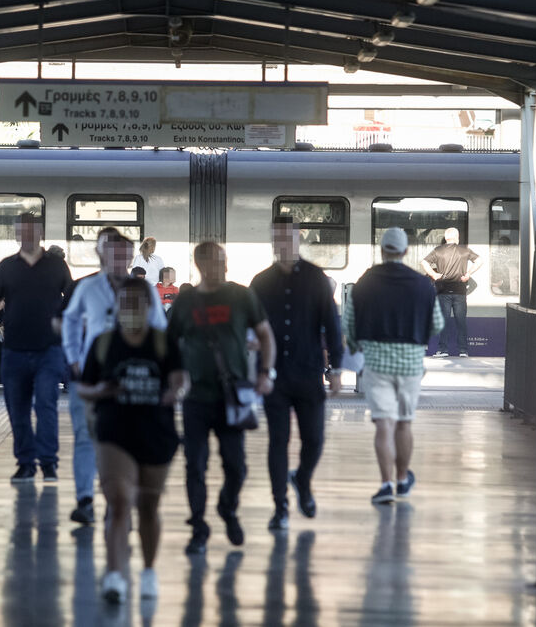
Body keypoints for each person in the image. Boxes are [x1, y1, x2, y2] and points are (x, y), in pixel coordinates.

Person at [77, 278, 187, 604]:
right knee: (119, 501)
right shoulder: (104, 343)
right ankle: (114, 575)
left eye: (137, 303)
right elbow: (84, 386)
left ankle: (149, 571)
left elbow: (180, 379)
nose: (130, 310)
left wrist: (175, 391)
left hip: (156, 433)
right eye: (124, 303)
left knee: (148, 507)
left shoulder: (164, 343)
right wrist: (101, 392)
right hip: (114, 432)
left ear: (149, 307)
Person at [167, 241, 276, 554]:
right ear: (202, 264)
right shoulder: (185, 302)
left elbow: (265, 335)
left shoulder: (242, 296)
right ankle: (198, 526)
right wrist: (173, 380)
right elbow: (170, 344)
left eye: (224, 260)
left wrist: (264, 373)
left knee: (237, 466)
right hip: (197, 398)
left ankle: (227, 508)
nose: (224, 267)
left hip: (233, 397)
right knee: (194, 465)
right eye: (218, 261)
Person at [63, 228, 167, 526]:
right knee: (86, 437)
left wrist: (157, 368)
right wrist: (73, 358)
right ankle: (85, 500)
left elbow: (159, 330)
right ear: (103, 255)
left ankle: (116, 500)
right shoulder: (88, 288)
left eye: (124, 254)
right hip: (91, 375)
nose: (118, 259)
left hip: (130, 376)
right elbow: (69, 321)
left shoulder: (143, 290)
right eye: (113, 253)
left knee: (124, 440)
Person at [249, 216, 344, 531]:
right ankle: (280, 508)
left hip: (308, 372)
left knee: (314, 439)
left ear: (297, 239)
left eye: (288, 237)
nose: (283, 243)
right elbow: (250, 326)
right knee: (278, 441)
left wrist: (336, 369)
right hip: (274, 376)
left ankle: (302, 479)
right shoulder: (261, 282)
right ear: (274, 242)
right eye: (278, 238)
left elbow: (331, 323)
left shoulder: (316, 278)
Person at [347, 227, 444, 505]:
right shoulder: (422, 284)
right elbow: (436, 324)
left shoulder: (365, 281)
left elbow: (350, 325)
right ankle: (402, 479)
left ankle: (385, 484)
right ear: (405, 252)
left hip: (377, 363)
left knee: (383, 426)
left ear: (382, 250)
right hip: (411, 364)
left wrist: (354, 349)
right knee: (404, 423)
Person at [0, 212, 73, 483]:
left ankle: (49, 462)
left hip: (49, 351)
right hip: (14, 352)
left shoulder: (57, 266)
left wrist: (67, 328)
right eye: (22, 231)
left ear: (40, 232)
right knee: (17, 409)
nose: (26, 235)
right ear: (17, 233)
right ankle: (26, 463)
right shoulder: (7, 267)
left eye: (31, 230)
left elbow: (72, 300)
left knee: (46, 406)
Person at [419, 227, 482, 357]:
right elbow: (480, 261)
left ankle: (443, 350)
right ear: (457, 238)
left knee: (444, 321)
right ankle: (463, 351)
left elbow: (423, 262)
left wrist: (433, 275)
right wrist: (468, 274)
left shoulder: (438, 251)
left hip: (443, 291)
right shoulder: (464, 250)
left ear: (446, 238)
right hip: (460, 291)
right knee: (461, 321)